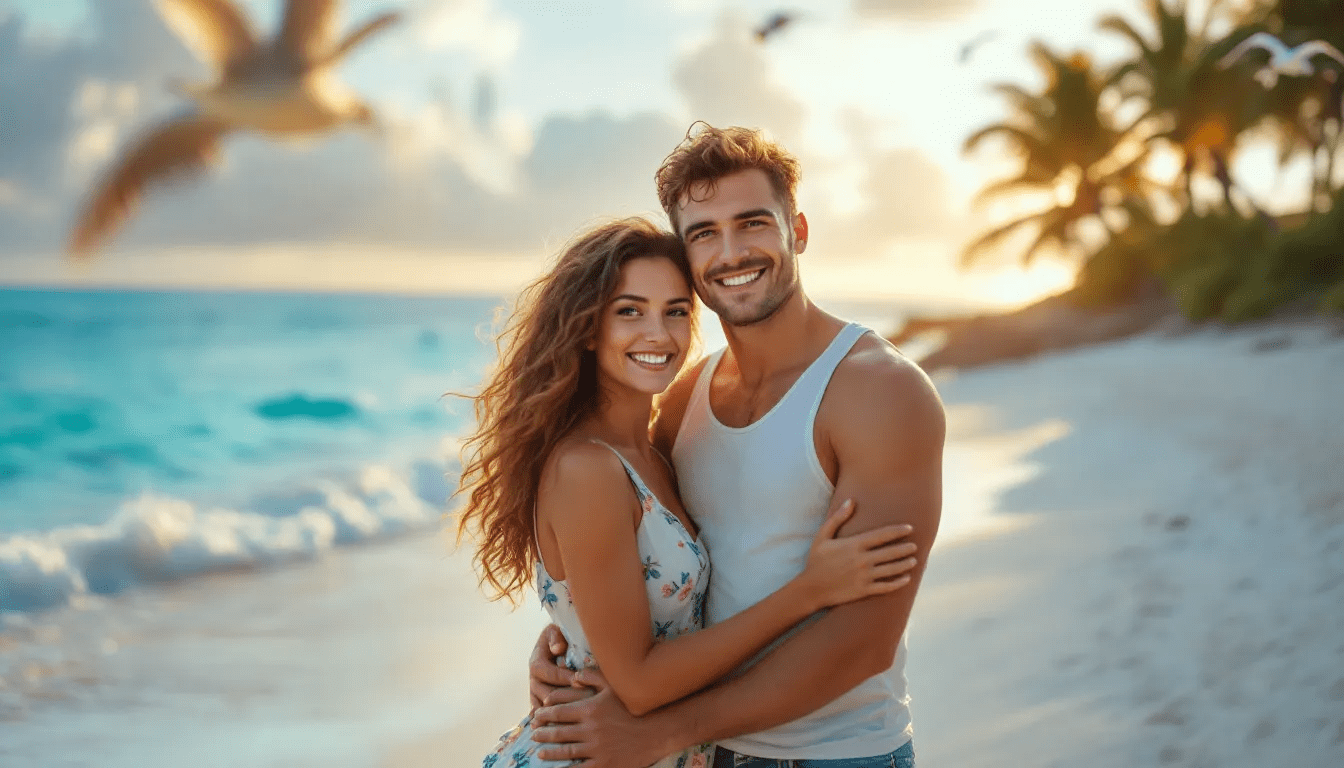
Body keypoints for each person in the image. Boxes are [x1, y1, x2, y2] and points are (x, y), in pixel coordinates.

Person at [526, 125, 946, 768]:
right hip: (700, 753)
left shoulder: (879, 394)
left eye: (752, 223)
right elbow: (645, 562)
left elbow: (865, 642)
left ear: (796, 231)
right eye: (703, 234)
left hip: (832, 755)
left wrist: (662, 730)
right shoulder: (685, 395)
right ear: (688, 260)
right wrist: (568, 644)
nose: (730, 251)